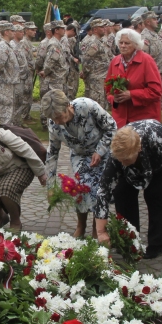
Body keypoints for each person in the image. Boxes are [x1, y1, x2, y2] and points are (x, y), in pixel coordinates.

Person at [92, 119, 162, 259]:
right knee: (122, 192)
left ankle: (157, 242)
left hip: (160, 162)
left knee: (155, 193)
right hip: (133, 165)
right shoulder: (117, 154)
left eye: (126, 160)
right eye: (120, 159)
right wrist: (101, 232)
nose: (123, 162)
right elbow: (103, 190)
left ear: (138, 149)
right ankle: (129, 239)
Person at [42, 90, 117, 238]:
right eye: (52, 118)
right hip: (80, 156)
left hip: (102, 151)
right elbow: (52, 154)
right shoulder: (54, 124)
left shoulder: (87, 106)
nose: (56, 121)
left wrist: (100, 151)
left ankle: (98, 230)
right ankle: (81, 226)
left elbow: (112, 127)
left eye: (58, 117)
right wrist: (51, 186)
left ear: (68, 106)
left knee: (98, 190)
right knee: (80, 188)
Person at [106, 27, 162, 127]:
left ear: (136, 45)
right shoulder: (115, 61)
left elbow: (156, 91)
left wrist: (131, 95)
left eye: (127, 43)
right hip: (121, 120)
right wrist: (113, 99)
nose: (123, 46)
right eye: (121, 42)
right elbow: (108, 90)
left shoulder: (146, 60)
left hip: (143, 119)